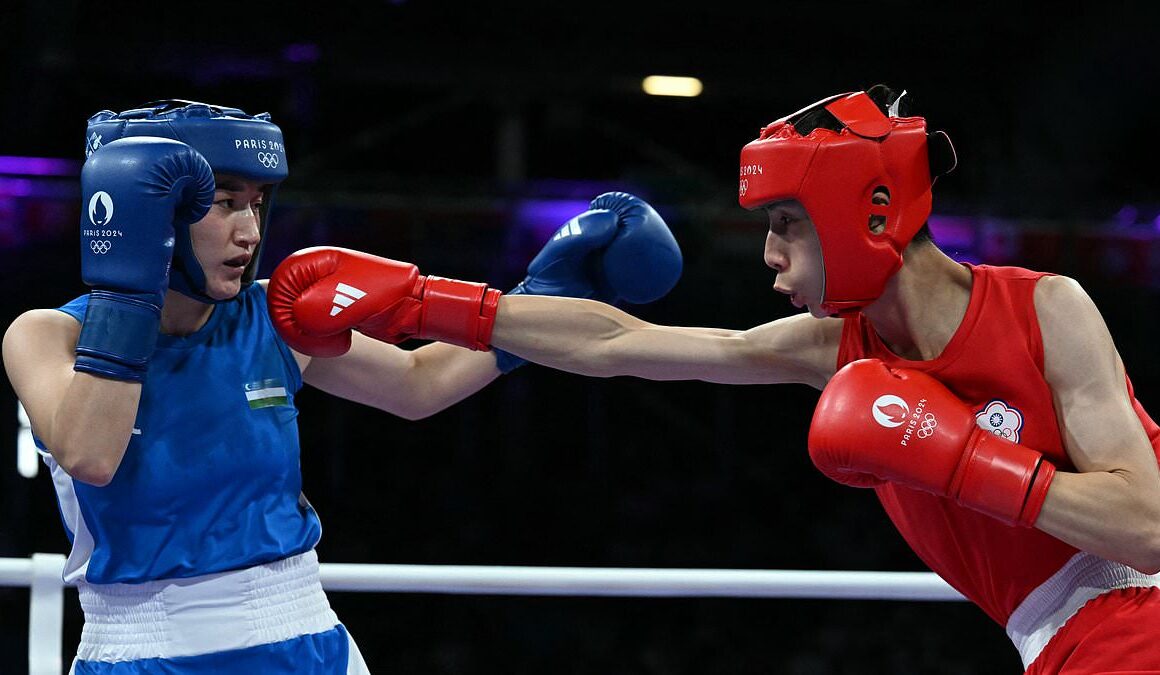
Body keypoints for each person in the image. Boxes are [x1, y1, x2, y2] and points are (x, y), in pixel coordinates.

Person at [273, 85, 1160, 673]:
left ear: (870, 215)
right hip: (1062, 647)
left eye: (786, 225)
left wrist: (966, 458)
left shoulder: (1048, 309)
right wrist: (428, 302)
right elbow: (619, 342)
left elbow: (1148, 529)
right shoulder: (829, 349)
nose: (769, 258)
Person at [1, 99, 682, 674]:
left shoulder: (271, 317)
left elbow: (421, 382)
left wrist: (542, 299)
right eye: (223, 204)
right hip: (141, 646)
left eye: (258, 203)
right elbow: (92, 454)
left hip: (303, 634)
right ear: (148, 210)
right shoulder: (45, 335)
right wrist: (128, 290)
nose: (249, 230)